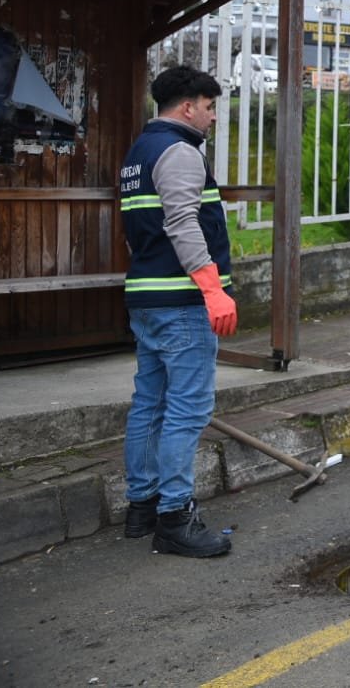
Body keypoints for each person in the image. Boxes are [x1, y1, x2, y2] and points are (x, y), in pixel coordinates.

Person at [118, 66, 237, 557]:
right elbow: (184, 224)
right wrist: (212, 289)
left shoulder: (138, 153)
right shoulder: (181, 152)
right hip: (182, 302)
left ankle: (141, 508)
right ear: (188, 106)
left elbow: (138, 229)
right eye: (210, 108)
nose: (212, 118)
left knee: (150, 404)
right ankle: (174, 518)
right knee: (187, 411)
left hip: (146, 298)